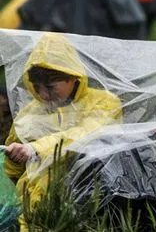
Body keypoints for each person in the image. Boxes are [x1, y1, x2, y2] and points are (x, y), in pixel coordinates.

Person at [3, 33, 122, 231]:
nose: (43, 94)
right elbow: (12, 170)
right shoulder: (30, 111)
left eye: (50, 87)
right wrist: (14, 158)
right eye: (37, 87)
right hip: (31, 205)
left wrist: (35, 149)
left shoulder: (104, 102)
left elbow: (85, 134)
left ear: (73, 78)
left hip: (84, 200)